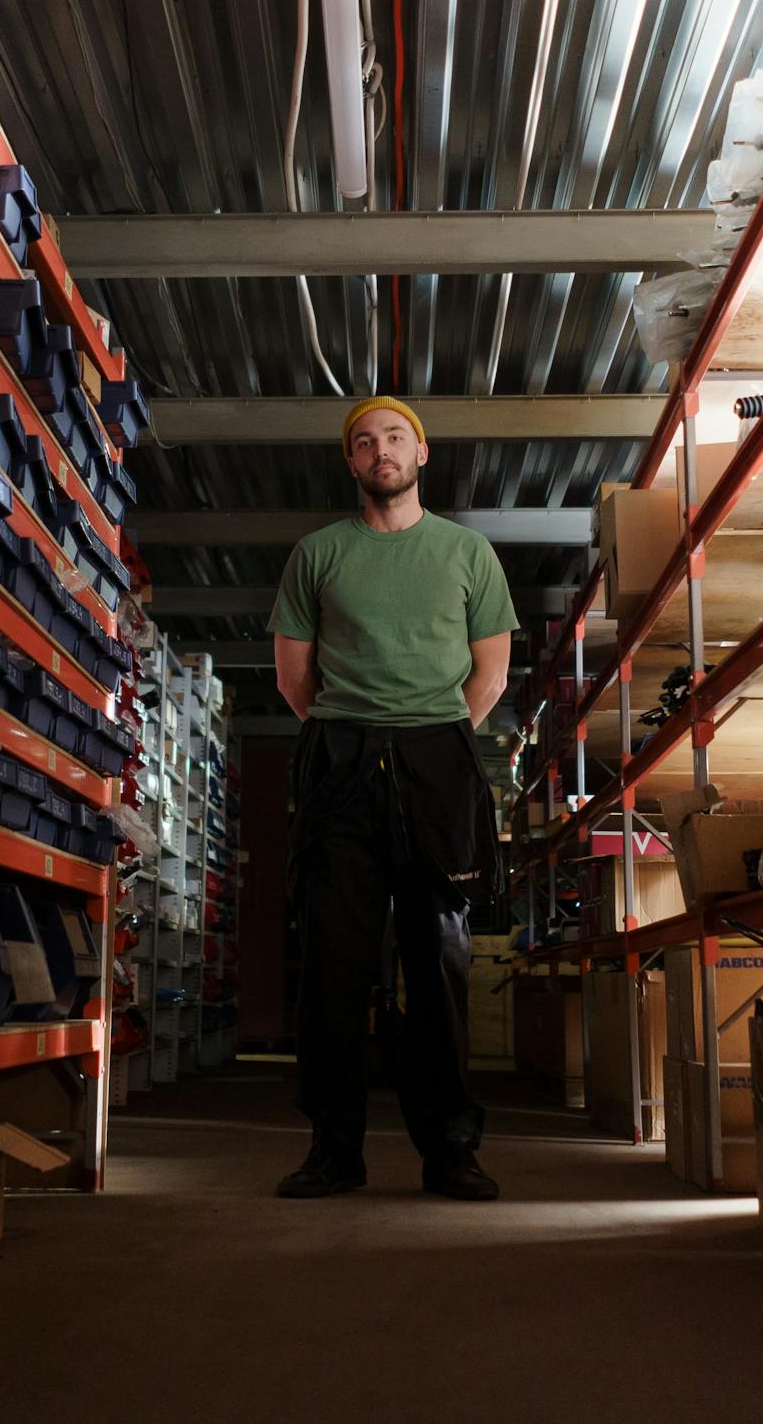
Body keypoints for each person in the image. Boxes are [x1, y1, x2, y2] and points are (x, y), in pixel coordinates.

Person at [267, 396, 518, 1201]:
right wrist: (357, 732)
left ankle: (450, 1150)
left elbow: (491, 673)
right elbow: (293, 679)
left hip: (437, 759)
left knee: (437, 960)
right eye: (366, 442)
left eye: (396, 438)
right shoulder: (316, 554)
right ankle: (333, 1150)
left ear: (422, 454)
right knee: (335, 964)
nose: (382, 450)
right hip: (339, 758)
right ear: (351, 462)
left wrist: (428, 734)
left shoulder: (468, 552)